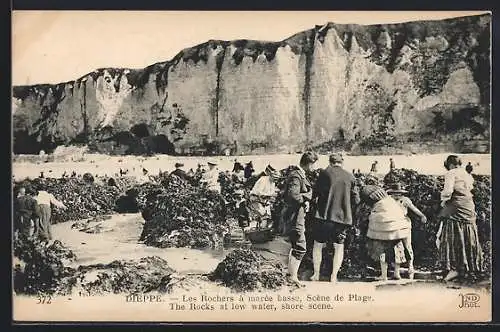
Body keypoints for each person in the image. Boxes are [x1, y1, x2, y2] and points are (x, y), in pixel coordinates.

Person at [310, 153, 360, 283]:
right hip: (342, 219)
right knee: (339, 247)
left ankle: (316, 274)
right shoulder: (350, 176)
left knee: (318, 245)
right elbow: (356, 199)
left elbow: (315, 193)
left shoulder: (324, 174)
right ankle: (334, 276)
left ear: (330, 162)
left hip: (324, 216)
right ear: (341, 162)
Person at [436, 155, 483, 281]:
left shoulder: (451, 173)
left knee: (452, 234)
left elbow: (447, 191)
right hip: (468, 205)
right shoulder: (466, 173)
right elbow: (470, 188)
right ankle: (469, 267)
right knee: (468, 233)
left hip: (456, 206)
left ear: (450, 164)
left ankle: (454, 268)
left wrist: (443, 202)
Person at [282, 151, 318, 286]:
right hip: (295, 215)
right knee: (301, 246)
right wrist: (308, 196)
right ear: (309, 164)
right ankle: (293, 277)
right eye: (314, 164)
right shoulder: (296, 176)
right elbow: (293, 196)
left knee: (295, 244)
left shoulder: (299, 175)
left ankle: (291, 275)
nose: (314, 168)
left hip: (297, 214)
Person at [361, 185, 410, 281]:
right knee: (397, 251)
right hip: (397, 230)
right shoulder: (390, 201)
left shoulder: (377, 204)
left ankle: (384, 275)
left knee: (381, 251)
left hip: (382, 232)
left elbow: (374, 216)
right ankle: (397, 273)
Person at [386, 182, 427, 279]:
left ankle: (410, 266)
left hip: (404, 224)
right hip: (393, 225)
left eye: (399, 193)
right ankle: (396, 271)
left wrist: (422, 216)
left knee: (408, 245)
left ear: (402, 193)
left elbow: (414, 209)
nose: (397, 195)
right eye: (394, 193)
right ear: (391, 193)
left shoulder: (405, 200)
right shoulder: (388, 201)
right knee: (396, 247)